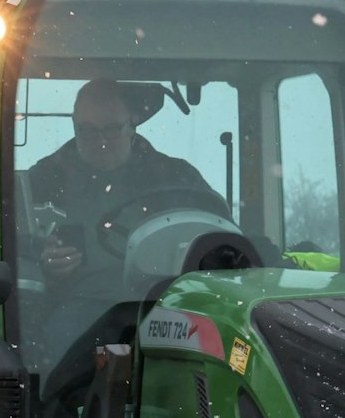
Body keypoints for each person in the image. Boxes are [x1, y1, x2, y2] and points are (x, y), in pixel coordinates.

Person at [28, 78, 217, 283]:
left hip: (165, 297)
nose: (101, 142)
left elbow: (221, 241)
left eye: (112, 129)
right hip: (77, 300)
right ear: (75, 126)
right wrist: (41, 258)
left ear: (132, 125)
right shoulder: (43, 181)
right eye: (89, 130)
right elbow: (8, 248)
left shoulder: (177, 179)